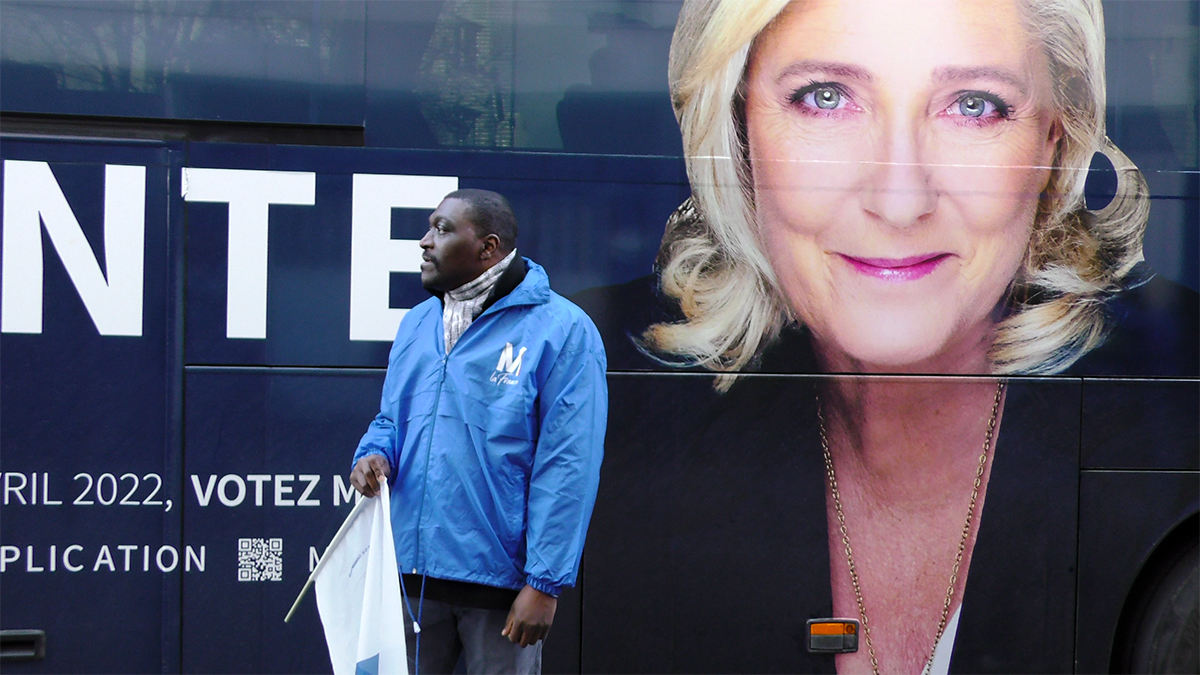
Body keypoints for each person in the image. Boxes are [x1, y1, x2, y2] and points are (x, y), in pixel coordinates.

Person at [572, 0, 1196, 672]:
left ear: (1054, 139)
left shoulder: (1177, 413)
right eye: (826, 97)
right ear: (739, 131)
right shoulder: (584, 396)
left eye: (974, 106)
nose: (901, 201)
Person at [349, 189, 607, 675]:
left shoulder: (562, 331)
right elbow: (390, 420)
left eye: (443, 229)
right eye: (429, 227)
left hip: (501, 590)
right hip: (409, 581)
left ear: (488, 247)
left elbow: (568, 465)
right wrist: (374, 452)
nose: (425, 242)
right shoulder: (417, 324)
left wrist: (544, 584)